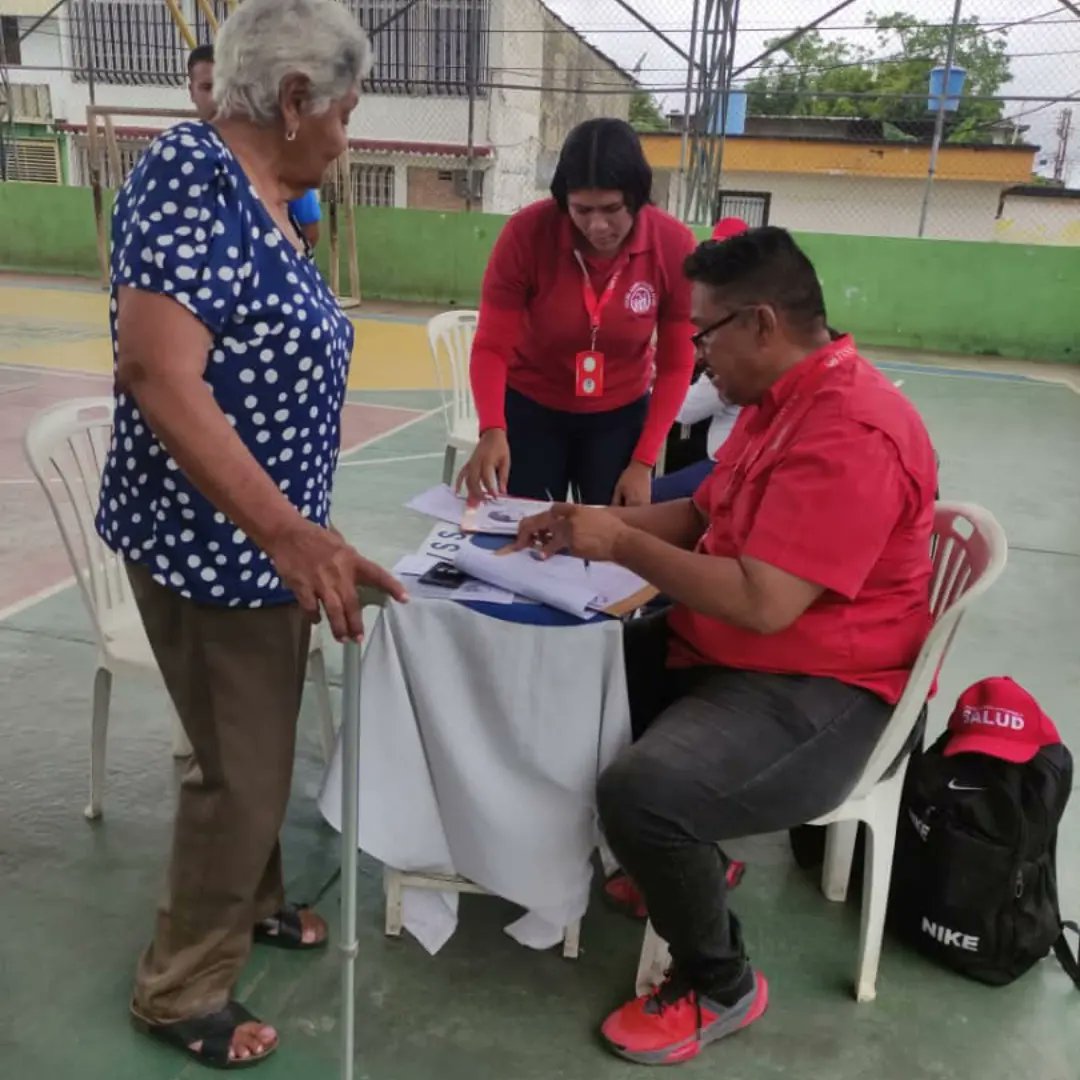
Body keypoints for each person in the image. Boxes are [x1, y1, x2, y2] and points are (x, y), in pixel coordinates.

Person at [513, 227, 937, 1065]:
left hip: (831, 689)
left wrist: (621, 546)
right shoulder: (783, 403)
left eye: (704, 333)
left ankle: (719, 981)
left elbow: (764, 601)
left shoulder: (849, 431)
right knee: (572, 671)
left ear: (763, 324)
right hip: (744, 651)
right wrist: (588, 524)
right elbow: (705, 516)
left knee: (645, 791)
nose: (696, 356)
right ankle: (670, 864)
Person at [99, 0, 404, 1068]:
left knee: (261, 751)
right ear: (293, 102)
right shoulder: (191, 175)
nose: (346, 136)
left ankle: (256, 903)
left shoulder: (273, 195)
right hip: (215, 546)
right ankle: (180, 988)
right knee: (241, 770)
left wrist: (298, 532)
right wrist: (285, 531)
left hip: (268, 543)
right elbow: (156, 370)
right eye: (346, 115)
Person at [457, 118, 696, 508]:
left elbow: (677, 364)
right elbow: (490, 347)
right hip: (532, 409)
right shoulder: (526, 235)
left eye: (611, 208)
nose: (597, 225)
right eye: (581, 210)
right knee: (519, 531)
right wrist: (492, 428)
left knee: (611, 540)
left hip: (620, 418)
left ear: (636, 196)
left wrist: (642, 462)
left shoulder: (673, 245)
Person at [187, 42, 322, 250]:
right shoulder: (181, 156)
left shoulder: (276, 152)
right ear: (191, 92)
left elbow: (310, 232)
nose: (217, 98)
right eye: (207, 87)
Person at [652, 217, 747, 504]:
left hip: (724, 463)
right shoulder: (716, 314)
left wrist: (654, 386)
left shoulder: (735, 342)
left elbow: (684, 409)